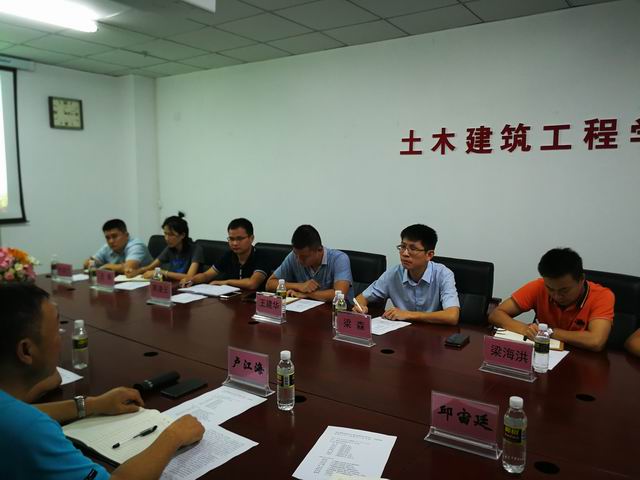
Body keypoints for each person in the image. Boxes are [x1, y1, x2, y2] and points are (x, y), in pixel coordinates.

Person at [0, 283, 205, 480]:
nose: (61, 338)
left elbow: (23, 412)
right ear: (26, 351)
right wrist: (173, 436)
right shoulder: (30, 431)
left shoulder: (13, 413)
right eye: (56, 328)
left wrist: (93, 404)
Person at [489, 248, 614, 352]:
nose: (556, 296)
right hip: (544, 356)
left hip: (582, 361)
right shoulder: (539, 286)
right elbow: (496, 315)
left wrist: (549, 332)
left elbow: (596, 341)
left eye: (564, 290)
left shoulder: (602, 296)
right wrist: (525, 329)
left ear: (581, 279)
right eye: (550, 289)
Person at [352, 224, 460, 324]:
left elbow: (452, 316)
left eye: (413, 249)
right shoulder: (394, 273)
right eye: (403, 247)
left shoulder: (443, 274)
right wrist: (360, 307)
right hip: (402, 332)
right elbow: (361, 298)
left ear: (429, 255)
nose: (405, 253)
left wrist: (409, 314)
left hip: (434, 333)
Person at [266, 224, 352, 301]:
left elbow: (340, 294)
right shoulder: (294, 256)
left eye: (304, 257)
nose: (298, 260)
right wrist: (299, 286)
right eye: (296, 254)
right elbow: (270, 284)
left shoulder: (339, 259)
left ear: (319, 249)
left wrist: (307, 294)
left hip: (336, 311)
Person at [180, 218, 270, 290]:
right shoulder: (229, 255)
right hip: (232, 300)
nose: (235, 243)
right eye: (231, 239)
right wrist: (192, 279)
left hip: (253, 302)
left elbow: (252, 284)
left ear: (251, 238)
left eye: (239, 239)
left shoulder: (261, 256)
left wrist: (226, 282)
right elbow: (206, 275)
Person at [129, 213, 204, 281]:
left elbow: (189, 277)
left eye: (171, 235)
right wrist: (136, 271)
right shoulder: (170, 248)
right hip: (173, 285)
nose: (166, 238)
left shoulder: (196, 249)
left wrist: (162, 272)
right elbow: (150, 267)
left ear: (182, 235)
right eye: (165, 234)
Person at [84, 219, 152, 274]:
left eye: (114, 236)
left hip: (144, 283)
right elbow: (89, 262)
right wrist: (89, 263)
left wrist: (106, 266)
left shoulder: (137, 246)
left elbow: (128, 268)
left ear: (126, 235)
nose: (111, 241)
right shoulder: (107, 247)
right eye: (107, 238)